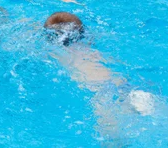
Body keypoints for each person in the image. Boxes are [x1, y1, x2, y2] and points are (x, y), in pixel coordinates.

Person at [44, 12, 156, 140]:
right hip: (129, 88)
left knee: (114, 141)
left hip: (105, 96)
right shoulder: (93, 51)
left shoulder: (57, 55)